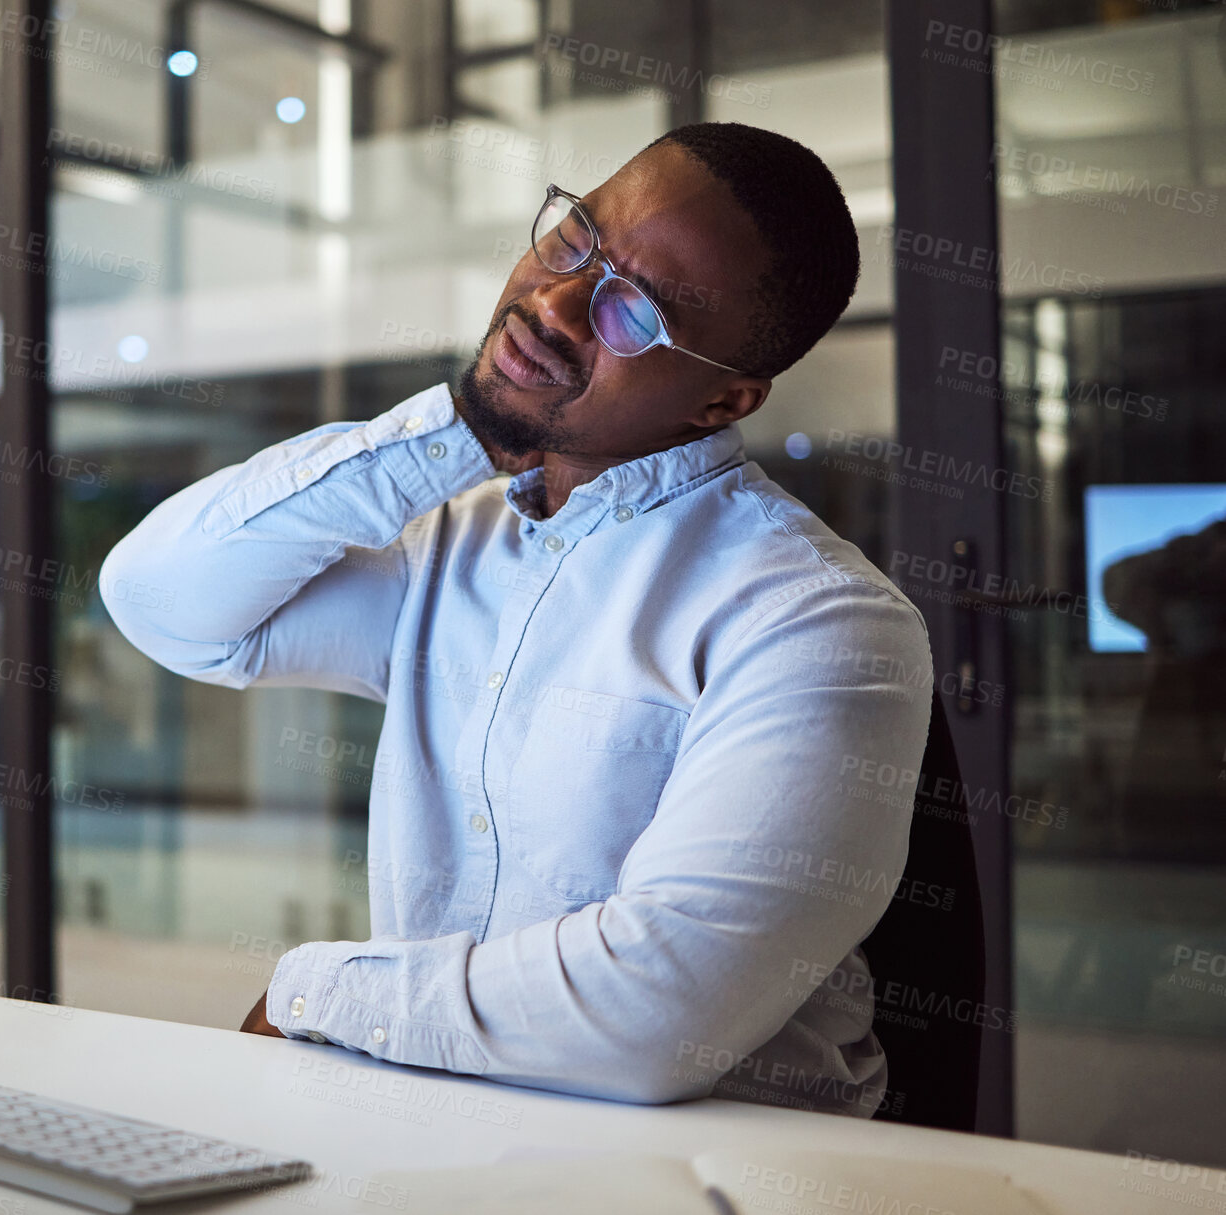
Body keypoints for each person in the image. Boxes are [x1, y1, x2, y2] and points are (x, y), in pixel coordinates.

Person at [100, 122, 933, 1116]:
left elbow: (657, 1016)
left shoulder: (818, 624)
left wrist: (312, 996)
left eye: (633, 312)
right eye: (573, 239)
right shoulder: (450, 548)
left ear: (724, 400)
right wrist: (461, 432)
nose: (552, 302)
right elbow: (165, 601)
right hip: (438, 1128)